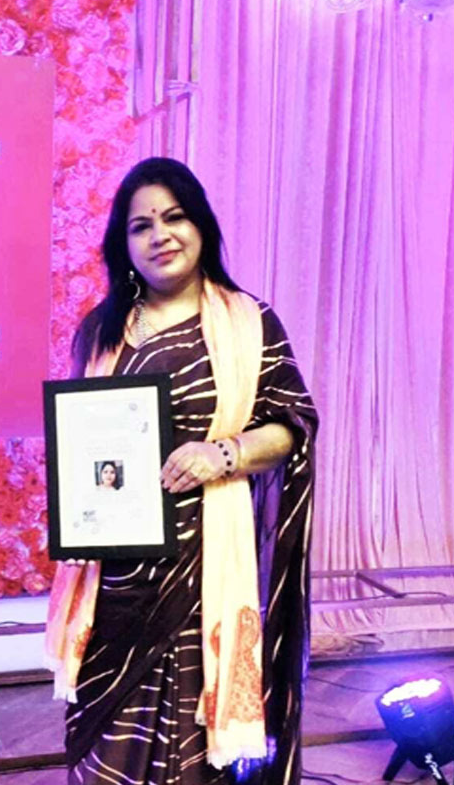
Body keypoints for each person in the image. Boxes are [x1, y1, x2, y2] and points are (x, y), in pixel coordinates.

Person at [45, 158, 317, 785]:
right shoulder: (101, 332)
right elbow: (84, 441)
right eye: (141, 225)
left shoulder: (250, 323)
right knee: (107, 742)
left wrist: (223, 454)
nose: (160, 235)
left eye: (174, 217)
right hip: (117, 579)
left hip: (208, 569)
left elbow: (292, 425)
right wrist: (73, 503)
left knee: (192, 742)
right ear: (124, 244)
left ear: (200, 226)